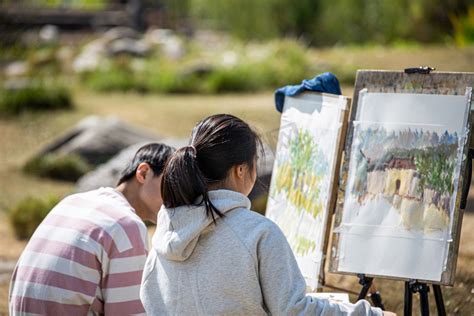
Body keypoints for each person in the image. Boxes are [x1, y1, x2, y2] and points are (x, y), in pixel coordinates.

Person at [140, 114, 387, 315]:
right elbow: (294, 311)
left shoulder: (164, 231)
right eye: (255, 163)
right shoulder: (257, 231)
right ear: (240, 170)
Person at [9, 143, 174, 315]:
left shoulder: (71, 202)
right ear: (143, 173)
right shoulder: (127, 225)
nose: (177, 198)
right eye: (171, 185)